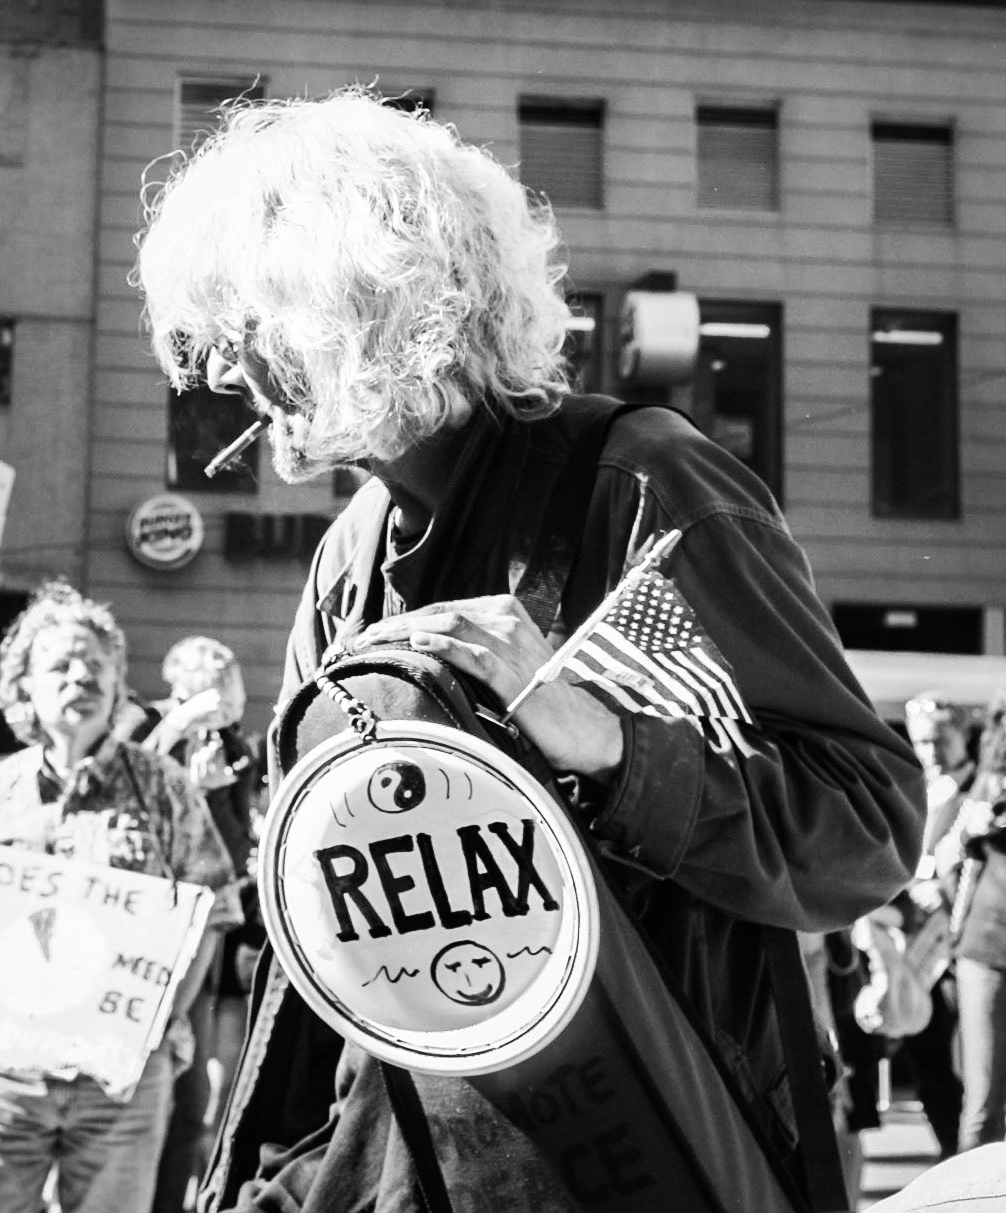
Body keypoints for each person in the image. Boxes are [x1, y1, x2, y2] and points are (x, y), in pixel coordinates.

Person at [134, 90, 923, 1211]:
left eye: (239, 327)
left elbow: (867, 827)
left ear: (351, 301)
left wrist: (611, 752)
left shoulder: (644, 480)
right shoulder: (351, 551)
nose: (218, 374)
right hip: (411, 1164)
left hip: (645, 1150)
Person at [0, 582, 242, 1213]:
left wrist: (160, 1031)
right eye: (62, 666)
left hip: (120, 1080)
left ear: (118, 681)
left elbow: (211, 909)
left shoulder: (163, 787)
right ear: (25, 688)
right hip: (6, 1073)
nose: (83, 677)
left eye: (98, 666)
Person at [136, 637, 261, 1213]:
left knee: (192, 1098)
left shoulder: (232, 745)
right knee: (134, 1095)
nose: (222, 713)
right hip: (144, 934)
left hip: (206, 932)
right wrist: (180, 745)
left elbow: (231, 844)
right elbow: (125, 798)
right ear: (181, 686)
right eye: (213, 697)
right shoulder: (145, 724)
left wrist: (213, 794)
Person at [894, 692, 979, 1158]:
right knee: (928, 1063)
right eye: (921, 743)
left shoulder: (984, 792)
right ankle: (951, 1155)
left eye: (939, 740)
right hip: (915, 948)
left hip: (968, 946)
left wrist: (945, 886)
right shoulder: (914, 791)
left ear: (963, 735)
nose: (929, 752)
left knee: (977, 1067)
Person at [945, 693, 1006, 1151]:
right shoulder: (992, 777)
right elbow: (951, 855)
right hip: (985, 949)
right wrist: (972, 830)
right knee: (982, 1101)